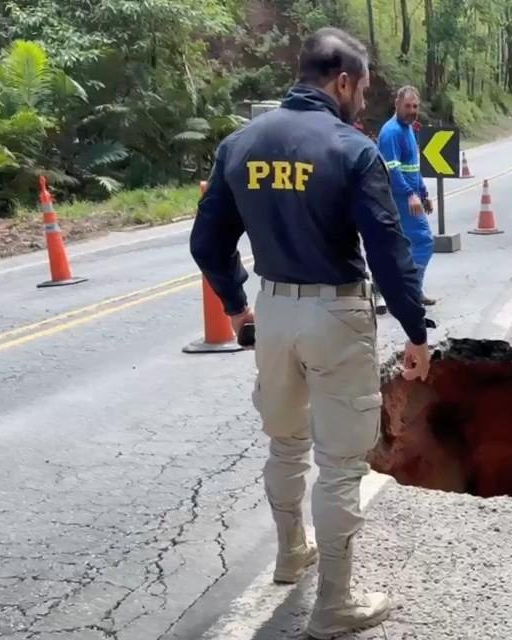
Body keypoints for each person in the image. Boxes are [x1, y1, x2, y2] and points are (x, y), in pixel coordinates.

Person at [189, 26, 430, 639]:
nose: (365, 100)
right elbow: (389, 252)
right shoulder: (352, 150)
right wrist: (415, 333)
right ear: (343, 80)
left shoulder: (239, 144)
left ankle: (291, 553)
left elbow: (207, 242)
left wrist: (237, 306)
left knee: (285, 445)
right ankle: (334, 605)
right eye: (364, 87)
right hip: (335, 314)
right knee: (342, 462)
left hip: (272, 312)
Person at [377, 86, 437, 305]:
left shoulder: (409, 129)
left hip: (409, 196)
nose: (412, 111)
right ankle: (410, 291)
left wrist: (423, 192)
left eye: (415, 106)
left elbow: (412, 167)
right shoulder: (391, 132)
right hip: (399, 198)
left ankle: (405, 290)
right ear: (397, 105)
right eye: (408, 106)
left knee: (405, 245)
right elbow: (392, 171)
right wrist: (411, 194)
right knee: (423, 242)